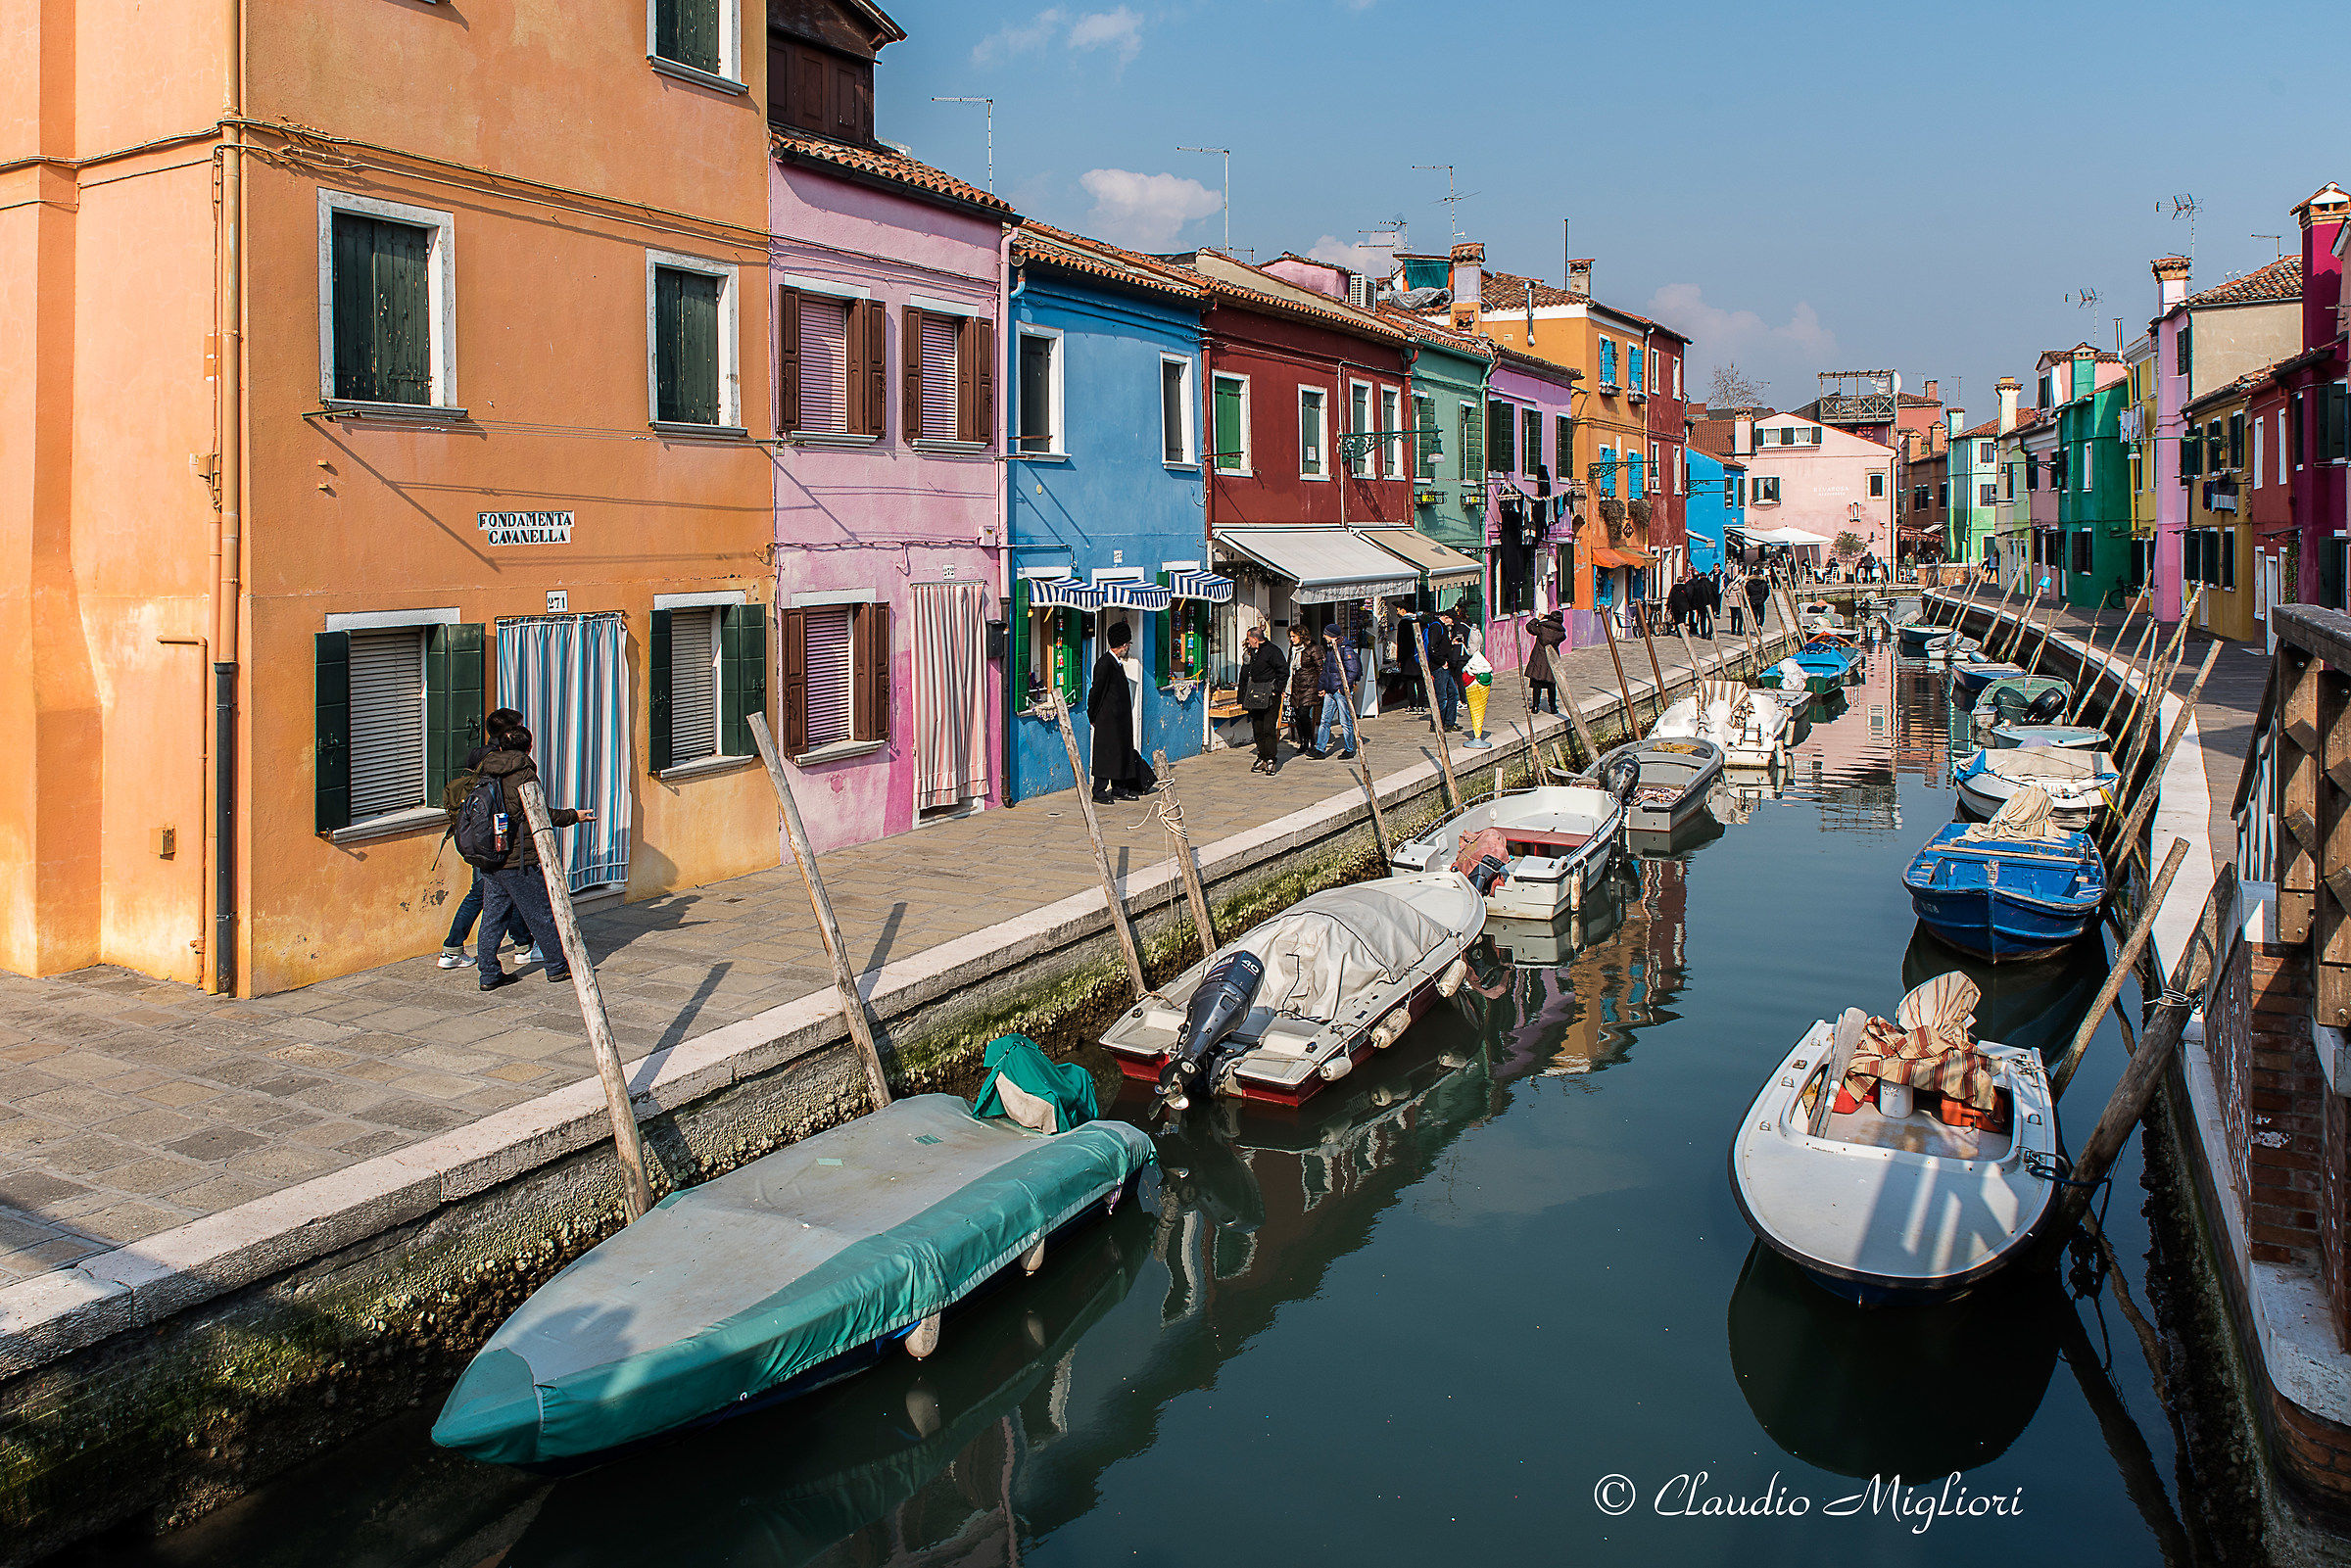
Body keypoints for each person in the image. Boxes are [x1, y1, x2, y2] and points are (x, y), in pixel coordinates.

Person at [466, 727, 597, 992]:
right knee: (540, 914)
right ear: (529, 747)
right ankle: (557, 967)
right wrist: (575, 816)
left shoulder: (484, 769)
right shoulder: (523, 774)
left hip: (492, 857)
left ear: (500, 747)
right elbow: (539, 813)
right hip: (518, 860)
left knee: (492, 917)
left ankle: (489, 973)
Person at [437, 707, 536, 969]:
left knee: (503, 891)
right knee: (481, 892)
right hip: (496, 836)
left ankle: (523, 944)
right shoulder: (502, 759)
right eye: (517, 728)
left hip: (476, 834)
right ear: (508, 732)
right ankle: (452, 948)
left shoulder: (477, 754)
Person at [1085, 621, 1156, 803]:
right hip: (1107, 721)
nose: (1128, 648)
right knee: (1106, 755)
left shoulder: (1116, 663)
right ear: (1123, 645)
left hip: (1120, 721)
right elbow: (1096, 692)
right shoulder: (1104, 664)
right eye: (1128, 644)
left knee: (1121, 754)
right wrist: (1092, 716)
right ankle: (1099, 792)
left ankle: (1119, 788)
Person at [1240, 626, 1286, 774]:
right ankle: (1262, 757)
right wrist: (1242, 697)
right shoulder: (1250, 653)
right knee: (1258, 728)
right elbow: (1244, 675)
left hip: (1270, 695)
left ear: (1255, 639)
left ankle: (1271, 758)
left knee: (1268, 728)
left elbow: (1283, 672)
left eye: (1249, 639)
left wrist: (1275, 690)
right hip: (1253, 695)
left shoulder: (1273, 651)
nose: (1248, 642)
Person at [1318, 625, 1360, 759]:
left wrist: (1343, 688)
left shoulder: (1345, 649)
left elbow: (1352, 670)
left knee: (1345, 720)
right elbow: (1326, 671)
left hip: (1340, 691)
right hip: (1330, 689)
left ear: (1332, 635)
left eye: (1326, 634)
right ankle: (1320, 748)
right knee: (1325, 720)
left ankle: (1349, 748)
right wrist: (1322, 686)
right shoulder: (1330, 649)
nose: (1324, 637)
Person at [1285, 625, 1323, 756]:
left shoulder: (1313, 649)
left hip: (1309, 685)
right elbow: (1289, 667)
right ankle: (1303, 742)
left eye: (1294, 636)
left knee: (1303, 713)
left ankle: (1310, 740)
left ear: (1301, 636)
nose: (1292, 639)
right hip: (1295, 685)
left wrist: (1321, 686)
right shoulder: (1293, 649)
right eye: (1290, 637)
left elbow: (1320, 668)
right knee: (1297, 715)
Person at [1523, 608, 1565, 714]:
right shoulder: (1561, 633)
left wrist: (1538, 619)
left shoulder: (1542, 628)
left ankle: (1536, 707)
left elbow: (1529, 627)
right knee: (1551, 685)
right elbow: (1563, 637)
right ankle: (1552, 707)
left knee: (1537, 684)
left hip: (1539, 658)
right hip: (1551, 659)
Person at [1426, 609, 1462, 732]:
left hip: (1445, 667)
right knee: (1442, 697)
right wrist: (1442, 662)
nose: (1452, 624)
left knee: (1453, 694)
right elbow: (1432, 648)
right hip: (1439, 667)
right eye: (1452, 620)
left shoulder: (1443, 628)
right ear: (1446, 617)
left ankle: (1449, 722)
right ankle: (1436, 724)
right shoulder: (1436, 627)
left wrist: (1451, 643)